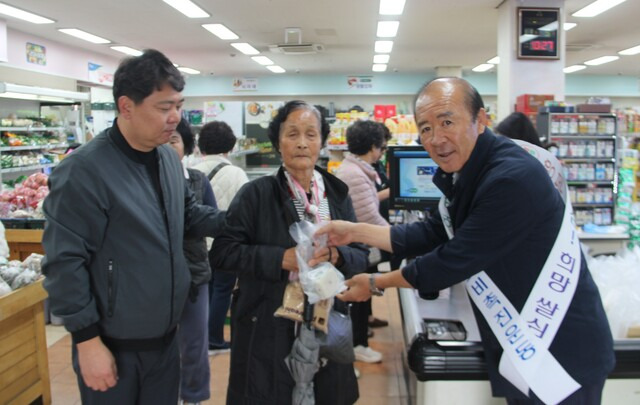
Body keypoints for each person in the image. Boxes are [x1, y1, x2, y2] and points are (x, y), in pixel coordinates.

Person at [317, 78, 615, 404]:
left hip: (560, 350)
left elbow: (452, 260)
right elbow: (429, 232)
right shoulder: (471, 171)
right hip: (527, 342)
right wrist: (353, 231)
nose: (435, 138)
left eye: (447, 122)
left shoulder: (509, 178)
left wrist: (376, 281)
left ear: (481, 120)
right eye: (426, 128)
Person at [41, 49, 226, 405]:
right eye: (163, 107)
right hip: (112, 346)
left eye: (178, 105)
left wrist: (245, 219)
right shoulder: (83, 171)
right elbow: (64, 263)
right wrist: (87, 341)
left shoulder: (167, 161)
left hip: (165, 341)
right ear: (126, 107)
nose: (175, 118)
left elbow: (188, 216)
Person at [210, 100, 368, 404]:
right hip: (269, 324)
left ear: (322, 142)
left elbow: (361, 255)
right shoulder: (256, 195)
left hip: (327, 322)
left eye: (311, 134)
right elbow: (223, 253)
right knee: (270, 393)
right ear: (277, 143)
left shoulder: (336, 195)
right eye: (292, 134)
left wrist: (337, 257)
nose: (302, 143)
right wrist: (279, 259)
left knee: (327, 394)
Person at [168, 119, 217, 405]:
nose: (167, 146)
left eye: (174, 140)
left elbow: (211, 220)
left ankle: (194, 397)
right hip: (155, 278)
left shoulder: (198, 181)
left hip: (195, 276)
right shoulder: (142, 181)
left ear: (186, 146)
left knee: (195, 343)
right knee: (160, 344)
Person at [335, 119, 391, 364]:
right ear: (372, 147)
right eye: (382, 147)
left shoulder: (358, 170)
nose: (382, 152)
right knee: (358, 296)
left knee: (364, 293)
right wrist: (398, 237)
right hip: (358, 247)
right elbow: (368, 216)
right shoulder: (355, 173)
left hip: (360, 245)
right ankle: (358, 344)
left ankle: (360, 338)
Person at [192, 121, 249, 354]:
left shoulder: (192, 170)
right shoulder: (236, 173)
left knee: (204, 290)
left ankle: (200, 336)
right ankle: (214, 338)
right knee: (222, 290)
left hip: (197, 242)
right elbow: (246, 210)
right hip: (225, 243)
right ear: (230, 146)